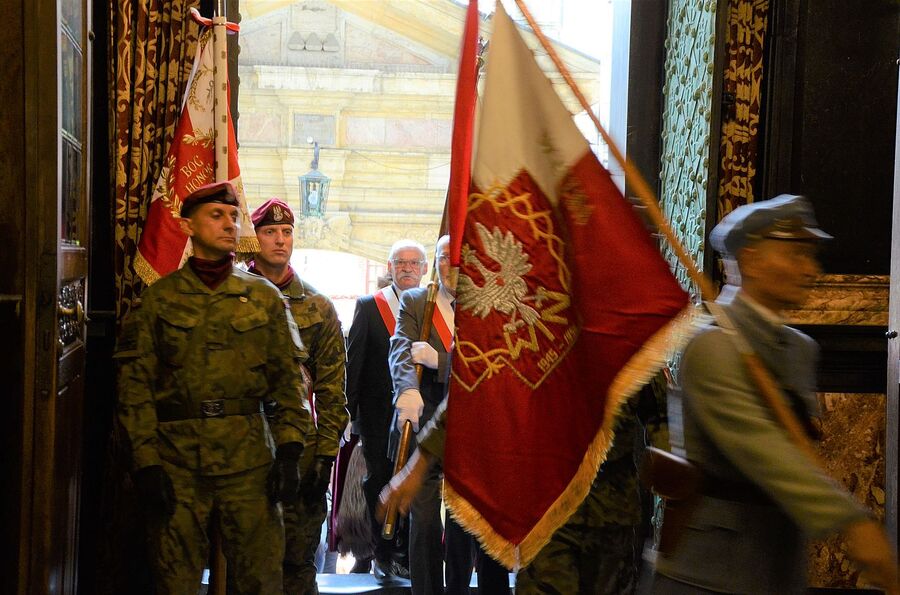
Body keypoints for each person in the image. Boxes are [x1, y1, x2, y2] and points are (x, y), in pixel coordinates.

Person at [649, 194, 900, 594]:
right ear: (750, 260)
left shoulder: (799, 349)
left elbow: (800, 449)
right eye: (796, 254)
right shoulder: (713, 346)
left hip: (778, 568)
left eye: (811, 256)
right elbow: (762, 450)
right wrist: (852, 520)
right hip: (710, 572)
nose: (811, 270)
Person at [115, 181, 311, 594]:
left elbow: (289, 382)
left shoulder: (263, 297)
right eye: (216, 215)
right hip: (178, 462)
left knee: (261, 579)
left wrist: (290, 452)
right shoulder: (161, 300)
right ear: (188, 225)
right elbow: (136, 389)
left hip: (249, 462)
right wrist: (145, 462)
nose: (228, 225)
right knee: (175, 580)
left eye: (234, 217)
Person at [379, 376, 668, 595]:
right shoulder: (532, 324)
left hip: (610, 523)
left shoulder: (627, 323)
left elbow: (662, 417)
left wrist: (668, 467)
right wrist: (419, 464)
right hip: (547, 521)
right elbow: (477, 383)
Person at [388, 235, 509, 595]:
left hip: (475, 429)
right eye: (443, 258)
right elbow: (400, 349)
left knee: (471, 523)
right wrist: (406, 389)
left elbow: (493, 363)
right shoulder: (416, 301)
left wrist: (441, 363)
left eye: (457, 259)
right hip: (426, 423)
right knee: (424, 520)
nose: (451, 267)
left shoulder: (490, 304)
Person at [248, 198, 349, 595]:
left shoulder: (317, 306)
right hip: (243, 441)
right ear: (253, 238)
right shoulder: (233, 296)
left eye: (287, 232)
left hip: (301, 446)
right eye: (270, 232)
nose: (280, 240)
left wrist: (325, 456)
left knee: (298, 556)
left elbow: (332, 389)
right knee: (245, 559)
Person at [346, 238, 427, 579]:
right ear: (390, 268)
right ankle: (382, 552)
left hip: (422, 417)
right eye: (400, 263)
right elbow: (354, 364)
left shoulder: (432, 308)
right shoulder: (369, 306)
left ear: (424, 269)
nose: (407, 268)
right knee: (379, 482)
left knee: (417, 487)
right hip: (378, 417)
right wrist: (349, 414)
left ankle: (407, 554)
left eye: (414, 263)